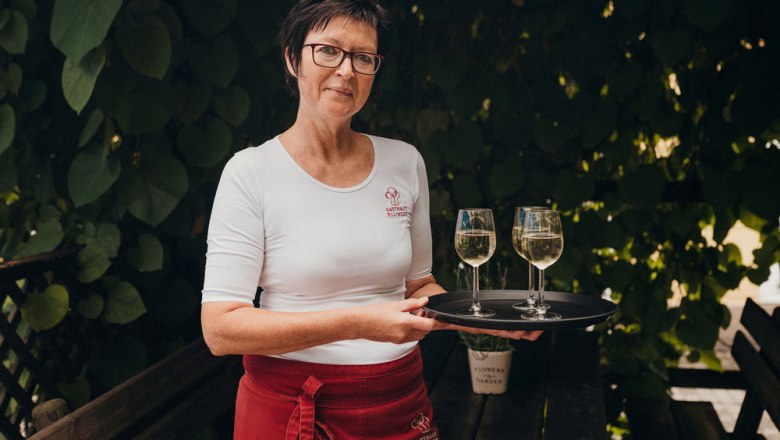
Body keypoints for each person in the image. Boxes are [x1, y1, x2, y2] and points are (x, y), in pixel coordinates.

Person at [200, 1, 541, 438]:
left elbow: (419, 288)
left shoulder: (404, 161)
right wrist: (360, 323)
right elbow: (221, 329)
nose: (346, 70)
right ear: (292, 59)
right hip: (293, 407)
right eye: (328, 50)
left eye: (363, 57)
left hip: (400, 400)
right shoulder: (250, 172)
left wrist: (486, 318)